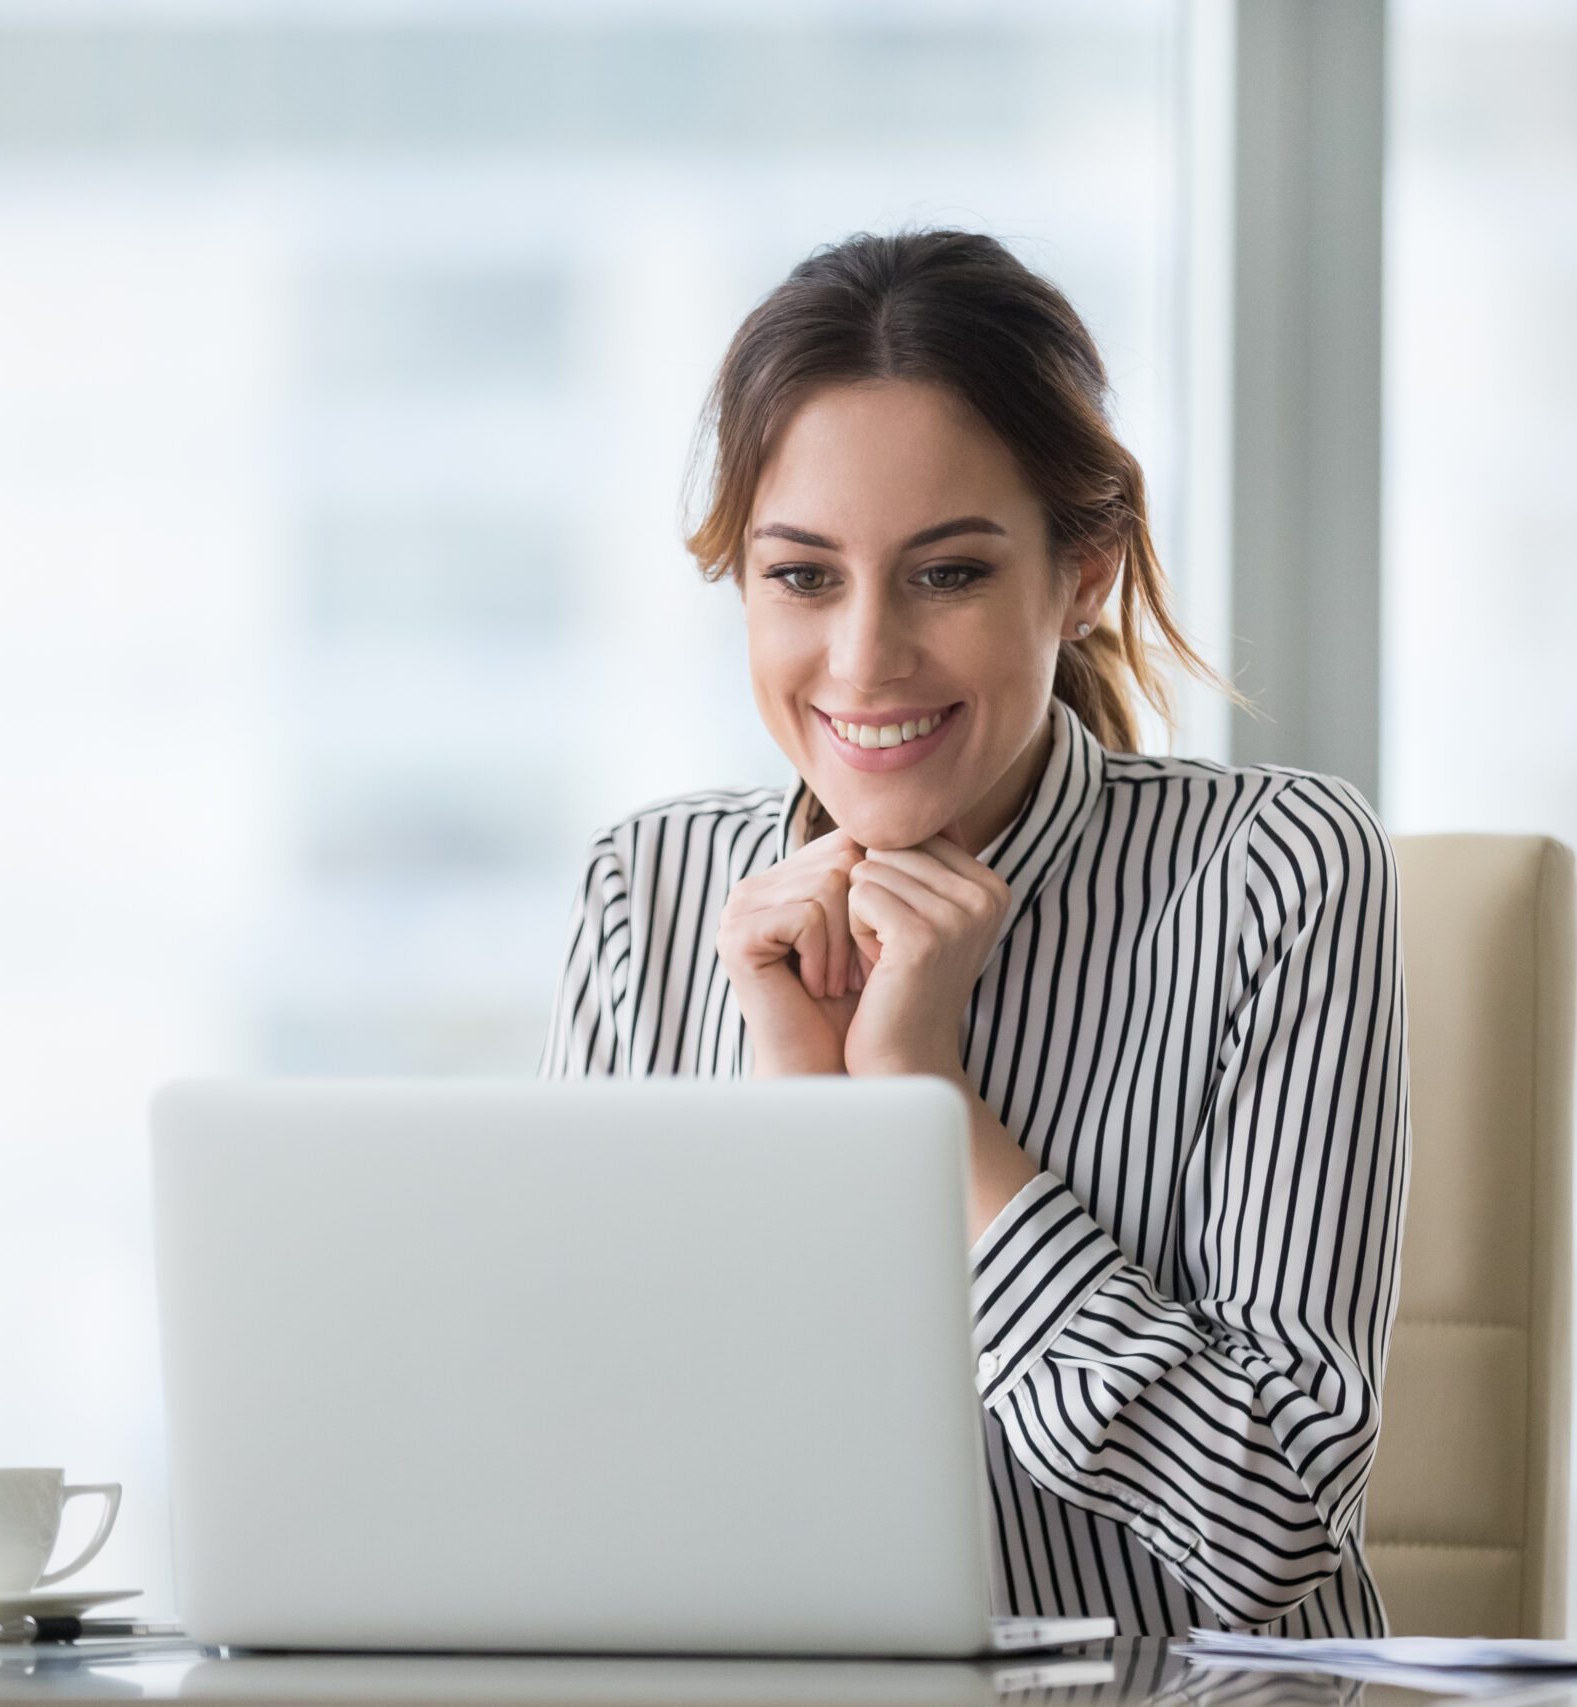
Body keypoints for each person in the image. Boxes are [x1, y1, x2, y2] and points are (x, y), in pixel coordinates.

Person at [539, 228, 1409, 1640]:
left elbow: (1273, 1526)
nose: (866, 658)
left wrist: (929, 1109)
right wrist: (790, 1117)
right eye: (803, 577)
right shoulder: (650, 887)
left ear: (1082, 574)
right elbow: (578, 1478)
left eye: (947, 574)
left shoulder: (1275, 870)